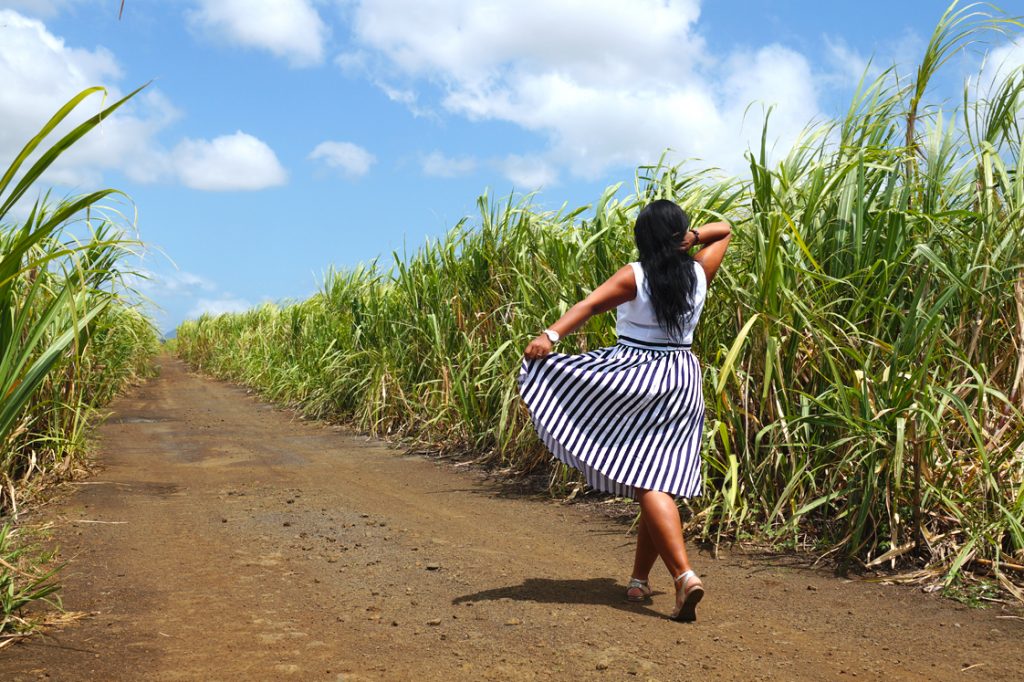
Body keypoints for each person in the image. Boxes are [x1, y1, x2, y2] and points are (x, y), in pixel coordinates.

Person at [517, 198, 732, 622]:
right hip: (683, 379)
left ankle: (684, 576)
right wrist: (691, 239)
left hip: (634, 376)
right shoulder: (698, 271)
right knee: (656, 479)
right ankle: (638, 579)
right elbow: (724, 229)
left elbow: (589, 306)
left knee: (650, 482)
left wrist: (550, 336)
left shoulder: (635, 275)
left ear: (643, 238)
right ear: (681, 234)